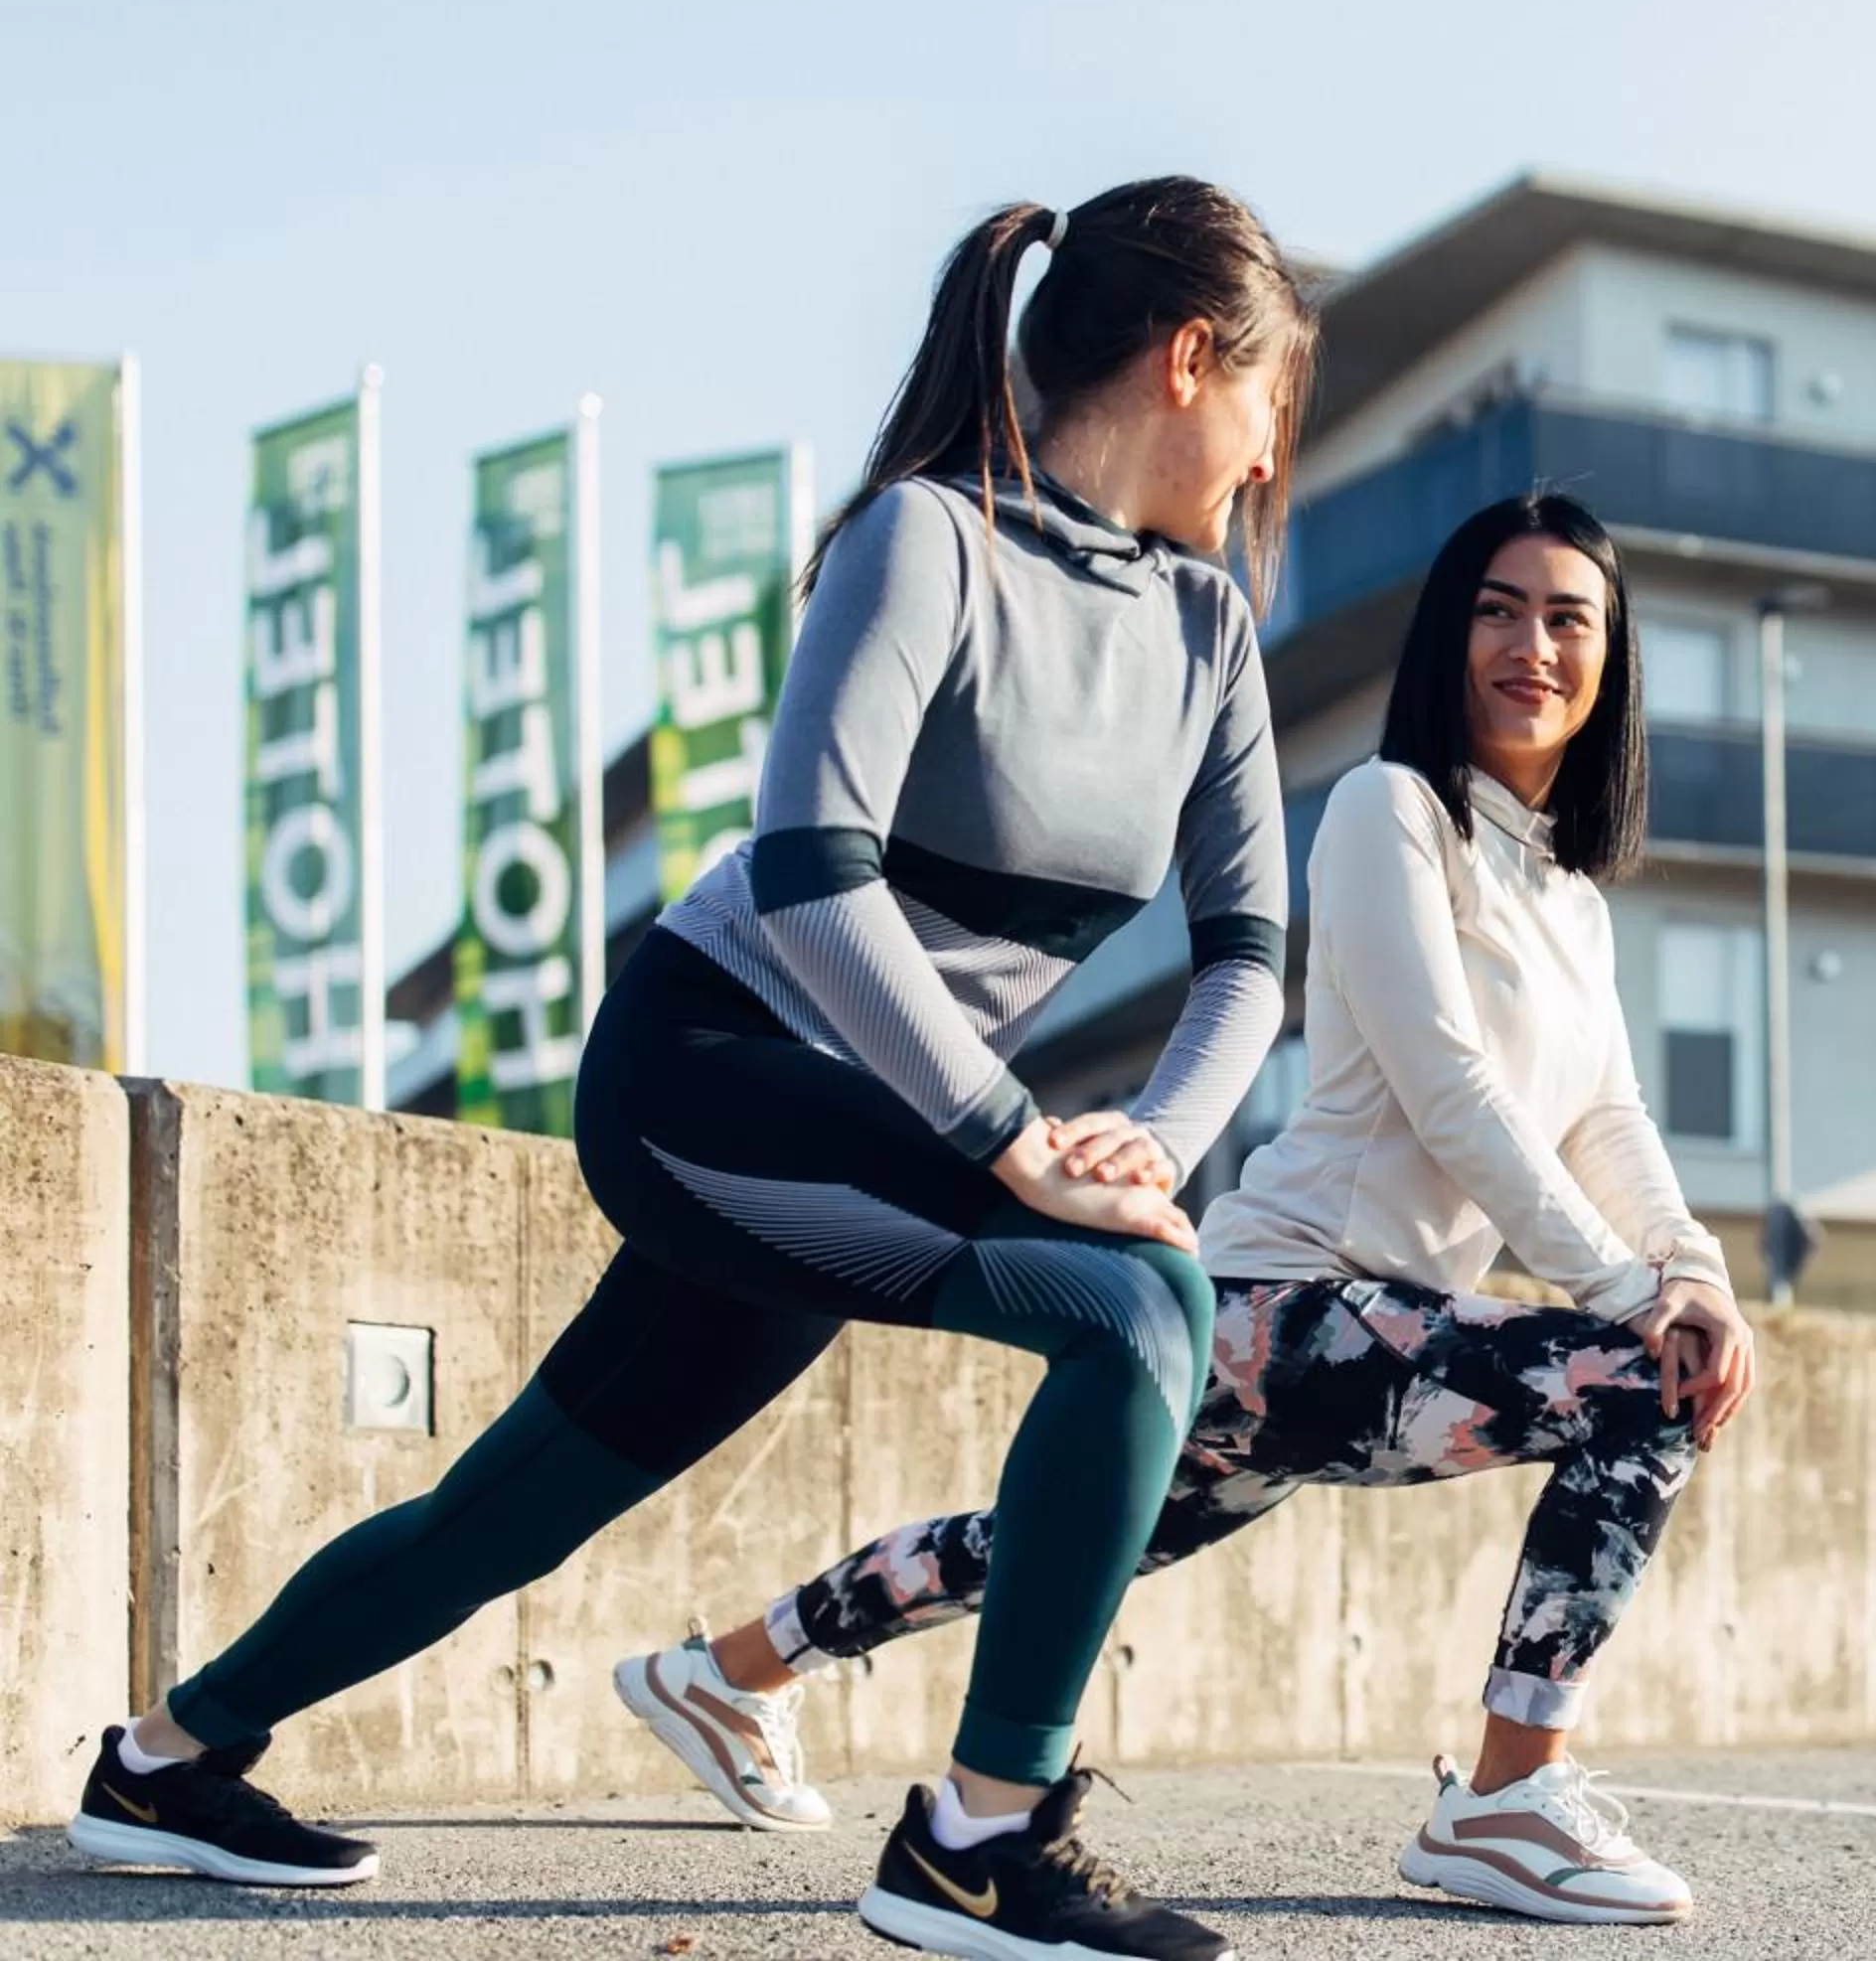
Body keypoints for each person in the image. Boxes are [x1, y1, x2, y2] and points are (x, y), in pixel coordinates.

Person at [67, 176, 1319, 1961]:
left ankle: (163, 1760)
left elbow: (1252, 959)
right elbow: (811, 869)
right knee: (1137, 1316)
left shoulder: (1207, 636)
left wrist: (1144, 1148)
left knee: (513, 1510)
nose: (1277, 446)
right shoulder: (925, 541)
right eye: (1279, 395)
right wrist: (1007, 1136)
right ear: (1198, 359)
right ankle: (978, 1838)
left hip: (870, 1124)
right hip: (714, 1069)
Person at [617, 493, 1758, 1927]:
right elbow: (1450, 1087)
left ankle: (727, 1669)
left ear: (1613, 659)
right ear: (1447, 635)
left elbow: (1605, 1117)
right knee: (1638, 1389)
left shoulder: (1570, 892)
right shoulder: (1387, 810)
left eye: (1568, 618)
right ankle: (1507, 1797)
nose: (1533, 645)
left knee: (1037, 1539)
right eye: (1498, 609)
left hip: (1349, 1340)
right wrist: (1626, 1299)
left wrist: (1692, 1270)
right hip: (1295, 1310)